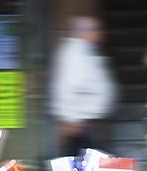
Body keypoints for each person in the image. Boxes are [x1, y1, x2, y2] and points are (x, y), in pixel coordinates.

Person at [50, 16, 117, 157]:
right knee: (81, 162)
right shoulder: (75, 53)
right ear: (84, 32)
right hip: (79, 124)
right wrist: (70, 118)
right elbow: (69, 86)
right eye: (95, 30)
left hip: (86, 122)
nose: (99, 34)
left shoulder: (85, 51)